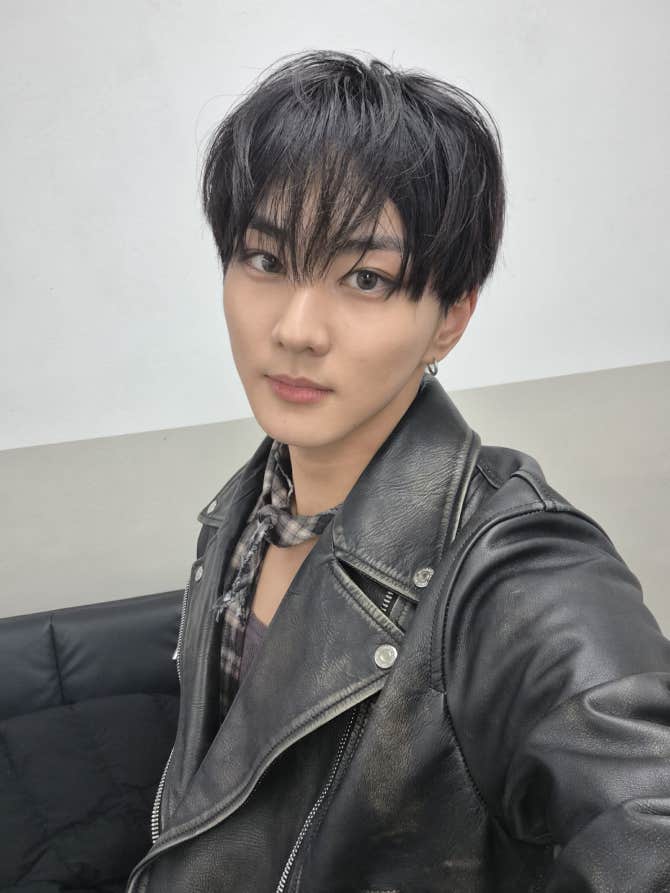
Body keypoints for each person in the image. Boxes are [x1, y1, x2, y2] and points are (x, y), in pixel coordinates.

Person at [126, 49, 670, 892]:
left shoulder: (518, 568)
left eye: (366, 278)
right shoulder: (245, 512)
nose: (297, 328)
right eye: (266, 259)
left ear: (450, 318)